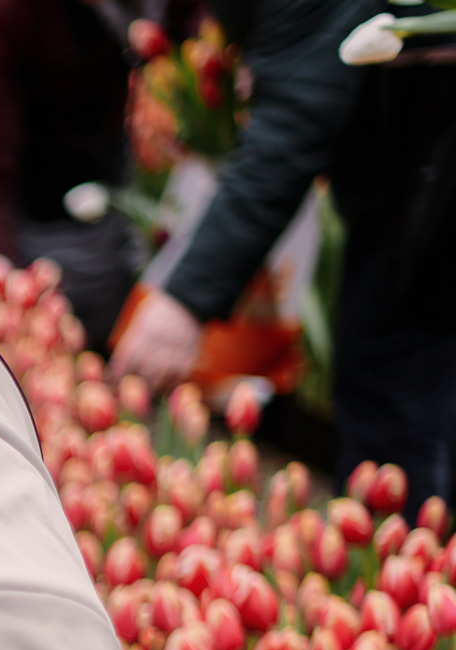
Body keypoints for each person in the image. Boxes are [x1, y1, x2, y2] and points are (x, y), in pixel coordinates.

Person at [111, 0, 454, 511]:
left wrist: (183, 301)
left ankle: (406, 563)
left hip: (427, 216)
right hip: (409, 194)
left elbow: (294, 120)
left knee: (395, 421)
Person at [0, 0, 180, 346]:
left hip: (74, 62)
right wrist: (8, 306)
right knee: (24, 224)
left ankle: (100, 325)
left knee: (92, 205)